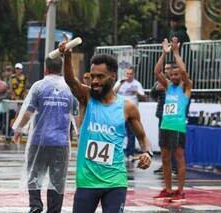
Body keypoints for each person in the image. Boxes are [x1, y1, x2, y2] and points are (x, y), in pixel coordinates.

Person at [60, 42, 152, 212]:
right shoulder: (86, 97)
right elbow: (70, 80)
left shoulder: (128, 107)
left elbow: (143, 137)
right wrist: (66, 56)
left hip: (115, 181)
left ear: (113, 77)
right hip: (87, 181)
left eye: (100, 77)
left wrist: (147, 152)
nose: (95, 81)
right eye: (92, 76)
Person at [12, 57, 73, 213]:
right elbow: (77, 115)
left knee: (34, 174)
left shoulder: (39, 87)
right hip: (61, 142)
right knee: (57, 179)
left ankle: (36, 206)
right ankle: (53, 210)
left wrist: (18, 130)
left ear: (45, 69)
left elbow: (28, 112)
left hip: (39, 140)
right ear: (61, 68)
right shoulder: (69, 88)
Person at [153, 37, 192, 202]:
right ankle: (168, 189)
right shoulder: (168, 86)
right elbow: (156, 72)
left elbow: (183, 72)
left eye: (177, 74)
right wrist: (163, 53)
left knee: (179, 157)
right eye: (172, 74)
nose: (175, 76)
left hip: (178, 127)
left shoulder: (186, 86)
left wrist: (176, 53)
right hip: (165, 125)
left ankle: (180, 190)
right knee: (165, 158)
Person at [114, 67, 147, 160]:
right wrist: (120, 83)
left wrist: (137, 92)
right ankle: (117, 153)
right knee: (117, 132)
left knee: (132, 134)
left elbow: (144, 97)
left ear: (133, 74)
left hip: (132, 113)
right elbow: (113, 92)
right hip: (119, 111)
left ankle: (130, 154)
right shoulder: (120, 82)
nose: (128, 76)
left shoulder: (137, 84)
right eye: (127, 73)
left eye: (130, 74)